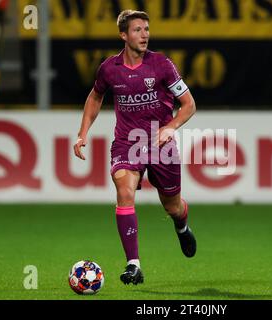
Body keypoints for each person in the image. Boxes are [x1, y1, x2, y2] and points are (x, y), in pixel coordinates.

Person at [73, 10, 197, 285]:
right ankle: (134, 265)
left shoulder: (162, 65)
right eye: (138, 30)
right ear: (123, 35)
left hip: (160, 143)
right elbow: (95, 97)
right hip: (127, 143)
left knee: (172, 206)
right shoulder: (109, 69)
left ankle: (182, 224)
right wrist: (82, 133)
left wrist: (170, 127)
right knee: (124, 191)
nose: (144, 35)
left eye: (147, 29)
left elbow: (189, 104)